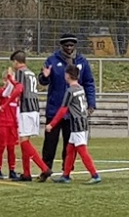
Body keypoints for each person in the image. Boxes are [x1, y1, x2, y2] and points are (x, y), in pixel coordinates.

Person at [38, 33, 96, 174]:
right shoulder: (52, 60)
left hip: (73, 112)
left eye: (72, 45)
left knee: (70, 143)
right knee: (50, 142)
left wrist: (91, 103)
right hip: (55, 108)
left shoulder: (82, 61)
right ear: (62, 46)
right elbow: (43, 80)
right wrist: (44, 77)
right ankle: (46, 168)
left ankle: (67, 170)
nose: (69, 48)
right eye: (66, 45)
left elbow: (89, 83)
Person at [46, 64, 101, 185]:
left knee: (81, 150)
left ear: (67, 75)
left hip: (77, 123)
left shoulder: (70, 91)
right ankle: (66, 175)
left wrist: (52, 124)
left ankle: (94, 174)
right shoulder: (80, 88)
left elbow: (63, 110)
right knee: (70, 149)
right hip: (83, 121)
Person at [7, 51, 51, 182]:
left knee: (24, 141)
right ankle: (26, 173)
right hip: (34, 108)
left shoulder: (20, 72)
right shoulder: (30, 73)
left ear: (16, 61)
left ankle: (44, 168)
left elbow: (19, 89)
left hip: (26, 109)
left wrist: (8, 102)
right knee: (24, 140)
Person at [0, 68, 20, 180]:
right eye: (5, 80)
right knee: (1, 147)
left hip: (12, 125)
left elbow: (17, 110)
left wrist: (18, 125)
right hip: (2, 123)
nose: (7, 82)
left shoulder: (16, 95)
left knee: (11, 149)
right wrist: (10, 79)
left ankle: (12, 170)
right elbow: (7, 91)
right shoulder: (1, 92)